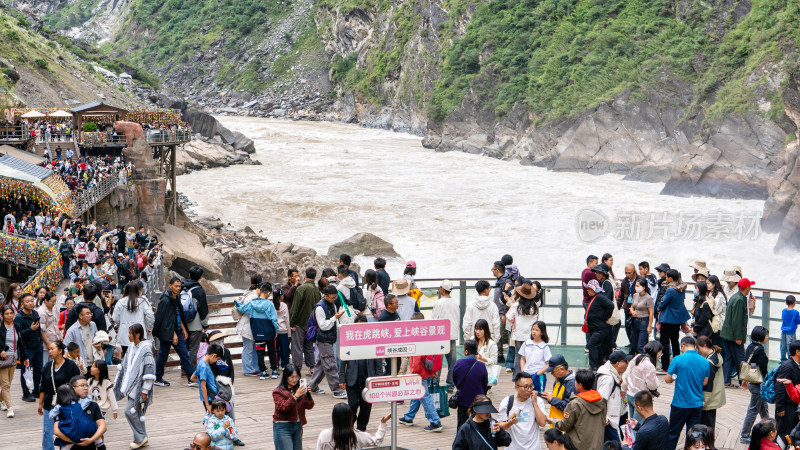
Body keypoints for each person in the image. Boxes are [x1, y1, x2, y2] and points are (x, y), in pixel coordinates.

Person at [112, 323, 155, 448]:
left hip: (139, 389)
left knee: (129, 411)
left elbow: (149, 370)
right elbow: (125, 367)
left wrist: (145, 391)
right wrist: (118, 382)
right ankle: (142, 437)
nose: (129, 336)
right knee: (138, 413)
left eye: (131, 333)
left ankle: (140, 437)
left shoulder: (146, 349)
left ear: (138, 334)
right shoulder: (131, 347)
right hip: (131, 387)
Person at [338, 316, 382, 431]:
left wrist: (378, 378)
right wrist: (341, 379)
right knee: (352, 405)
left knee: (366, 407)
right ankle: (349, 425)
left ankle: (361, 429)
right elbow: (342, 362)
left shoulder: (372, 341)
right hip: (352, 380)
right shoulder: (349, 341)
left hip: (368, 382)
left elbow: (378, 361)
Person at [665, 336, 709, 450]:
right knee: (694, 436)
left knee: (673, 434)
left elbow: (667, 380)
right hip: (696, 404)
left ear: (683, 345)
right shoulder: (705, 361)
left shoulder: (677, 359)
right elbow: (705, 382)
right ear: (695, 346)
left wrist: (676, 377)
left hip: (679, 404)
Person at [550, 368, 608, 450]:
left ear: (580, 385)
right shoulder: (602, 401)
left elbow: (565, 426)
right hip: (597, 445)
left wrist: (553, 421)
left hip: (577, 446)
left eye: (575, 381)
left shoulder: (575, 404)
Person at [152, 277, 195, 386]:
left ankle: (191, 378)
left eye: (180, 286)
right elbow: (162, 319)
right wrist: (172, 333)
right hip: (168, 333)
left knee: (184, 354)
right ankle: (158, 378)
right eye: (176, 286)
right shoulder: (165, 300)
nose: (178, 288)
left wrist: (184, 329)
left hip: (177, 331)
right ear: (170, 286)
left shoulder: (176, 298)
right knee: (163, 355)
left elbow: (177, 315)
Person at [39, 341, 81, 450]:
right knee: (47, 432)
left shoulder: (71, 366)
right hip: (49, 403)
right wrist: (40, 404)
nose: (50, 351)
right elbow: (42, 386)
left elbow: (77, 384)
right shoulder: (47, 366)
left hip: (67, 404)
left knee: (67, 430)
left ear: (60, 351)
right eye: (49, 349)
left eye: (52, 349)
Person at [308, 285, 347, 398]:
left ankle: (312, 386)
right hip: (323, 339)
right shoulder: (320, 308)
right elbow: (323, 325)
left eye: (335, 297)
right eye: (331, 297)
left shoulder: (333, 305)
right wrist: (335, 317)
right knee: (330, 364)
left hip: (330, 338)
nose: (333, 299)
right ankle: (336, 390)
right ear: (325, 295)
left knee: (321, 364)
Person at [235, 282, 279, 379]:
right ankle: (274, 372)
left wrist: (237, 302)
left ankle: (262, 372)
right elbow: (274, 319)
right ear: (268, 293)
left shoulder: (252, 303)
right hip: (269, 332)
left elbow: (242, 309)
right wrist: (276, 330)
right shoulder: (270, 304)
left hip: (257, 332)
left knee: (260, 353)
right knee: (272, 351)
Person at [497, 371, 547, 450]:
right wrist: (510, 423)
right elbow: (500, 425)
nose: (529, 390)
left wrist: (534, 403)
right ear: (516, 387)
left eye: (531, 386)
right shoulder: (507, 402)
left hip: (533, 447)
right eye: (526, 386)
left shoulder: (538, 401)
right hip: (513, 447)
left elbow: (542, 423)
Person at [398, 347, 444, 432]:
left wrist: (414, 373)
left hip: (420, 372)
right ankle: (409, 417)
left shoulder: (417, 340)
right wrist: (433, 370)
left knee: (424, 396)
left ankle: (435, 421)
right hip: (428, 369)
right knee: (418, 394)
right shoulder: (428, 339)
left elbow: (416, 360)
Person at [273, 364, 314, 450]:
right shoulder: (278, 392)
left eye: (297, 377)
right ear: (286, 377)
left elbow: (309, 406)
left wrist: (308, 395)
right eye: (292, 377)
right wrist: (295, 396)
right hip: (283, 426)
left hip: (298, 425)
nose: (295, 379)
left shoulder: (299, 389)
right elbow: (283, 408)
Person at [740, 326, 770, 443]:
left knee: (763, 409)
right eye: (766, 335)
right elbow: (762, 369)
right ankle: (745, 435)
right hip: (758, 384)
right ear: (761, 337)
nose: (767, 337)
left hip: (752, 381)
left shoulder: (751, 346)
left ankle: (768, 430)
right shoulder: (760, 350)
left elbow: (749, 363)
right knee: (753, 410)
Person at [721, 278, 753, 387]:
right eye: (750, 286)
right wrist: (738, 337)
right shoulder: (740, 300)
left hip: (728, 334)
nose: (750, 288)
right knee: (741, 358)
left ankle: (726, 380)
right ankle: (744, 382)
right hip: (734, 335)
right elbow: (737, 321)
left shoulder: (735, 297)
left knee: (729, 358)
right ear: (746, 287)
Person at [316, 403, 389, 449]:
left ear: (334, 418)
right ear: (350, 418)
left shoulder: (324, 435)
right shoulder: (358, 435)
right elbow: (377, 442)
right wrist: (383, 424)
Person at [621, 341, 661, 428]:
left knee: (632, 423)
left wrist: (623, 389)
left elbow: (626, 375)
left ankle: (632, 440)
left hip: (630, 394)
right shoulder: (649, 366)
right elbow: (653, 386)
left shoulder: (638, 357)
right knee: (637, 426)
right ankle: (637, 441)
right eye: (660, 353)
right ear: (657, 352)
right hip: (641, 399)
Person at [452, 340, 489, 430]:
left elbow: (455, 380)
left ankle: (461, 442)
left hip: (463, 398)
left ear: (466, 351)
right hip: (479, 400)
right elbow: (485, 383)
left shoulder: (458, 363)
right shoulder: (481, 365)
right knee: (482, 426)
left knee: (461, 425)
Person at [506, 279, 540, 375]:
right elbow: (537, 320)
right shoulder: (535, 307)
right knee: (529, 355)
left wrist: (515, 321)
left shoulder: (516, 305)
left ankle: (517, 376)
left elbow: (509, 316)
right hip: (530, 335)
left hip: (518, 334)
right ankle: (529, 375)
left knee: (518, 355)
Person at [657, 269, 689, 371]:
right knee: (675, 341)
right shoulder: (681, 288)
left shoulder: (670, 290)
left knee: (664, 343)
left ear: (670, 278)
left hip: (667, 318)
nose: (666, 278)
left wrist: (658, 308)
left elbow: (663, 302)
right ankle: (676, 365)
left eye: (667, 277)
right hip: (677, 318)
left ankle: (665, 366)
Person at [112, 281, 154, 356]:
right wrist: (149, 328)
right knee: (139, 356)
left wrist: (121, 323)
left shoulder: (120, 302)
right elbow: (150, 315)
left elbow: (115, 318)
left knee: (126, 357)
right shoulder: (142, 301)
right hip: (139, 333)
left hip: (124, 335)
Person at [1, 304, 28, 417]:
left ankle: (2, 399)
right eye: (6, 314)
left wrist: (25, 357)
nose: (9, 315)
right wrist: (1, 350)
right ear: (2, 315)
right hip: (2, 359)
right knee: (6, 385)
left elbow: (21, 343)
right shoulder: (0, 327)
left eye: (11, 313)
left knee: (7, 384)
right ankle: (10, 408)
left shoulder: (16, 326)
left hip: (13, 358)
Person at [14, 292, 42, 402]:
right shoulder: (19, 318)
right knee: (25, 371)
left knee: (38, 370)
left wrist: (40, 341)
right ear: (22, 303)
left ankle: (36, 390)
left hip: (37, 346)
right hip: (26, 349)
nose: (30, 303)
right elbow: (18, 335)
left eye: (31, 301)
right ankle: (26, 393)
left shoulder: (35, 313)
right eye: (27, 301)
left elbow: (38, 329)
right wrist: (30, 330)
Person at [597, 350, 630, 443]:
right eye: (625, 361)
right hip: (608, 421)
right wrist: (606, 419)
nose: (627, 364)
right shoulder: (609, 379)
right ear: (618, 363)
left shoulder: (615, 373)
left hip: (613, 417)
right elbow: (601, 399)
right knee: (615, 445)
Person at [289, 268, 318, 375]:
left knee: (297, 347)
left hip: (299, 323)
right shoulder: (316, 290)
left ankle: (297, 369)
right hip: (311, 324)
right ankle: (312, 368)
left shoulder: (301, 289)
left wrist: (292, 323)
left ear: (305, 276)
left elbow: (295, 307)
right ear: (315, 277)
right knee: (309, 347)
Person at [432, 279, 459, 391]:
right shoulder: (455, 302)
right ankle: (450, 384)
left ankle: (435, 382)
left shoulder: (438, 303)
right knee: (452, 362)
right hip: (452, 335)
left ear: (442, 289)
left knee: (437, 360)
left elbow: (434, 320)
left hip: (441, 335)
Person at [183, 266, 210, 373]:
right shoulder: (199, 291)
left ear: (189, 275)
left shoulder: (181, 287)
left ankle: (184, 369)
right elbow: (203, 310)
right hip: (195, 325)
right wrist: (205, 325)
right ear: (200, 277)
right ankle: (192, 371)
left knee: (184, 349)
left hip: (183, 324)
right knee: (193, 349)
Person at [234, 274, 261, 377]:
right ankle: (248, 369)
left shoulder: (248, 293)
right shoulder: (253, 296)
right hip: (247, 325)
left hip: (247, 324)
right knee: (248, 348)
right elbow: (249, 310)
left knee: (251, 347)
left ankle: (253, 368)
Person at [695, 336, 724, 430]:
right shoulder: (715, 355)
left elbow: (708, 384)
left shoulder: (710, 363)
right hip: (714, 395)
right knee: (710, 424)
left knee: (705, 425)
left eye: (698, 348)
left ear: (704, 346)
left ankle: (707, 443)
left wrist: (704, 401)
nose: (698, 351)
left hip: (708, 397)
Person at [584, 279, 614, 369]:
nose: (587, 291)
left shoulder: (600, 297)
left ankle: (593, 366)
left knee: (592, 344)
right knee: (598, 346)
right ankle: (599, 364)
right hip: (595, 328)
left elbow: (610, 305)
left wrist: (605, 317)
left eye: (589, 289)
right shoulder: (594, 298)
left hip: (600, 328)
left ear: (593, 289)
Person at [462, 280, 500, 345]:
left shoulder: (470, 304)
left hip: (474, 338)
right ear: (486, 290)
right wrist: (495, 339)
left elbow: (466, 324)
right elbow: (496, 324)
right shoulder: (492, 305)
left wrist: (468, 339)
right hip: (489, 339)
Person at [541, 354, 577, 424]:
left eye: (552, 371)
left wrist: (552, 399)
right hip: (555, 422)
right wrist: (548, 397)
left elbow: (569, 407)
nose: (551, 373)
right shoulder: (557, 380)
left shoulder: (572, 384)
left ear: (562, 369)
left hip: (565, 426)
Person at [492, 261, 514, 366]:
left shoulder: (506, 282)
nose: (492, 271)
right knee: (498, 333)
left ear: (497, 270)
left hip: (501, 313)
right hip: (498, 312)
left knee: (500, 334)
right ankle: (499, 355)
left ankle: (501, 356)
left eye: (492, 269)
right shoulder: (500, 280)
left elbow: (507, 298)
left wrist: (504, 313)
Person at [518, 321, 551, 391]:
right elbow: (522, 358)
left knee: (538, 396)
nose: (534, 332)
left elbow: (549, 364)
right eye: (533, 329)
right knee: (525, 395)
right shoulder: (526, 343)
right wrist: (523, 371)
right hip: (526, 374)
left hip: (538, 376)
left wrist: (538, 373)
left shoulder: (544, 346)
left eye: (537, 330)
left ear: (542, 332)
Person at [63, 304, 98, 368]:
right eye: (87, 313)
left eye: (90, 313)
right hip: (82, 364)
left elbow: (97, 338)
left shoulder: (93, 325)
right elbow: (66, 347)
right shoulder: (72, 330)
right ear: (80, 316)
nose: (90, 315)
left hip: (94, 363)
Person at [620, 263, 643, 346]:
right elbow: (621, 296)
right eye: (626, 273)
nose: (627, 275)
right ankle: (632, 345)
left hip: (638, 311)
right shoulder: (624, 281)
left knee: (638, 331)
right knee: (628, 328)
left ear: (635, 272)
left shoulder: (641, 280)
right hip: (627, 309)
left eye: (629, 273)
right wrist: (617, 308)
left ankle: (637, 347)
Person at [630, 279, 654, 355]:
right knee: (633, 343)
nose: (636, 287)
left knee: (641, 345)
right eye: (635, 286)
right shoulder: (635, 295)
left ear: (643, 287)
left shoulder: (648, 298)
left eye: (638, 286)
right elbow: (632, 307)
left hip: (644, 321)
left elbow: (651, 313)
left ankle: (643, 362)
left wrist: (649, 326)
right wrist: (632, 311)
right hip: (635, 321)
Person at [473, 319, 499, 384]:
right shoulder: (472, 340)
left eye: (480, 329)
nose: (477, 332)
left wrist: (482, 359)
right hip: (472, 370)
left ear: (485, 330)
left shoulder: (491, 343)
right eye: (476, 329)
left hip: (485, 372)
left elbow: (494, 361)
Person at [274, 287, 291, 369]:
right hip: (283, 330)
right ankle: (285, 365)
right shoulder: (284, 305)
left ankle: (276, 364)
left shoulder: (271, 305)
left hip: (275, 331)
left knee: (276, 349)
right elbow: (287, 320)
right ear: (280, 296)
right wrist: (289, 333)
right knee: (285, 349)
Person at [782, 295, 800, 362]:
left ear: (786, 303)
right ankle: (791, 361)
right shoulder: (796, 312)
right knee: (791, 347)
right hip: (791, 332)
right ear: (795, 303)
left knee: (783, 347)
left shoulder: (783, 311)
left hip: (784, 331)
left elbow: (783, 319)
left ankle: (783, 360)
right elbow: (798, 321)